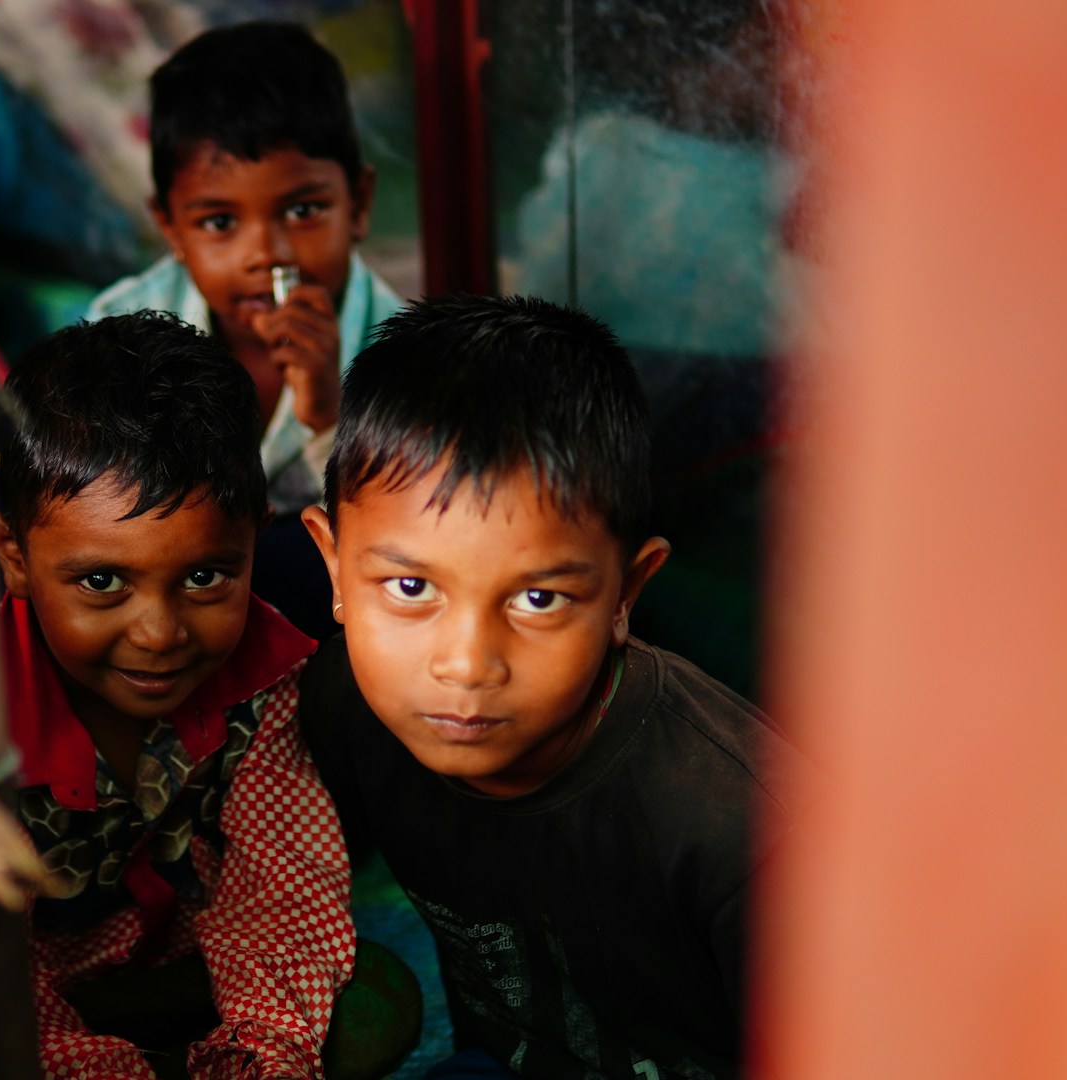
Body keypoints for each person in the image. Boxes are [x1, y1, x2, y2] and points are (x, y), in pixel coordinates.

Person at [296, 296, 816, 1079]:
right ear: (335, 569)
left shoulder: (747, 832)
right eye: (410, 587)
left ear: (626, 593)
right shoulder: (341, 706)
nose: (466, 664)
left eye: (538, 599)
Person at [0, 312, 356, 1080]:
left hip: (189, 953)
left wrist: (261, 1058)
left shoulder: (269, 677)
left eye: (205, 576)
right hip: (45, 983)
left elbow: (284, 895)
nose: (159, 634)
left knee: (365, 1007)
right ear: (14, 557)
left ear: (253, 538)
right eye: (102, 581)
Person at [85, 21, 404, 519]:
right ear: (171, 228)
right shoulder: (120, 334)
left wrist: (328, 419)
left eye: (302, 211)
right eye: (220, 222)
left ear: (358, 205)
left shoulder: (402, 358)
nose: (265, 254)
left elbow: (404, 527)